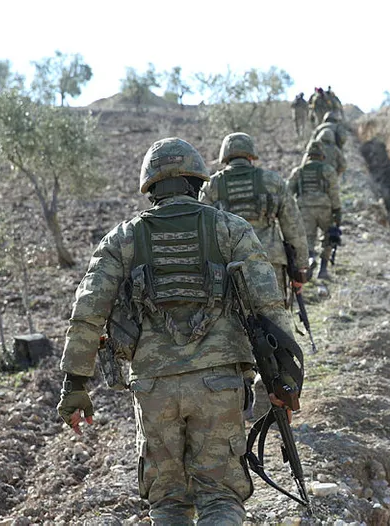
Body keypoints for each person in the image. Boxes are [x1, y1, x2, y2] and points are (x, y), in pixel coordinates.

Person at [56, 137, 300, 525]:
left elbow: (87, 311)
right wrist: (285, 378)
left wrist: (74, 384)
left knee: (168, 503)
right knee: (220, 498)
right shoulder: (230, 229)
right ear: (198, 182)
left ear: (150, 186)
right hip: (219, 382)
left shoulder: (122, 238)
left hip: (154, 387)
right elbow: (269, 306)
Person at [199, 132, 309, 300]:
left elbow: (202, 228)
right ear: (251, 155)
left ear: (225, 156)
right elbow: (293, 226)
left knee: (235, 314)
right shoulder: (272, 181)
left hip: (230, 265)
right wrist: (300, 268)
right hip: (270, 261)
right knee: (274, 312)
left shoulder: (211, 186)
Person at [288, 141, 341, 280]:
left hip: (304, 209)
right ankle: (323, 270)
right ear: (322, 155)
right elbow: (334, 193)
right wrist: (337, 210)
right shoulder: (328, 170)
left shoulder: (298, 171)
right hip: (325, 209)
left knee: (308, 239)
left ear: (308, 155)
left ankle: (310, 260)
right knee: (329, 237)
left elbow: (287, 192)